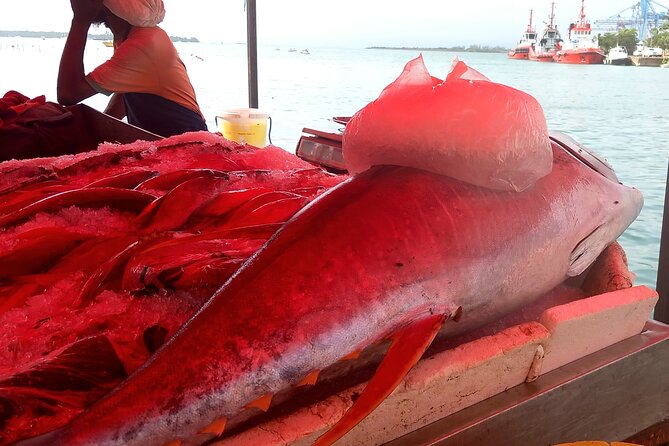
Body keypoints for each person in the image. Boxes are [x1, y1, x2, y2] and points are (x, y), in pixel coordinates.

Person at [57, 0, 208, 137]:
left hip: (189, 144)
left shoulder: (143, 42)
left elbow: (68, 94)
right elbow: (126, 92)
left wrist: (80, 20)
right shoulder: (129, 37)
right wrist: (99, 131)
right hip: (167, 142)